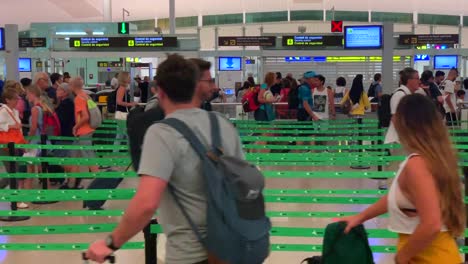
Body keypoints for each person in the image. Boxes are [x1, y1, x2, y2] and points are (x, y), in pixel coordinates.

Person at [85, 54, 245, 264]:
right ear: (195, 88)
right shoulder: (222, 125)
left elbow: (146, 203)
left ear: (159, 91)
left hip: (190, 253)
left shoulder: (161, 133)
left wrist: (110, 243)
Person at [342, 94, 464, 264]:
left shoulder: (417, 165)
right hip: (437, 252)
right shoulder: (434, 158)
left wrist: (403, 256)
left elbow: (432, 224)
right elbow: (397, 197)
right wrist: (360, 217)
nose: (393, 121)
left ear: (405, 123)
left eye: (395, 116)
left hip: (427, 255)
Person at [69, 77, 99, 174]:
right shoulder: (86, 95)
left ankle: (98, 178)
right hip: (88, 129)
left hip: (83, 131)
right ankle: (72, 182)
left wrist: (75, 126)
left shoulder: (78, 98)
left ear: (72, 86)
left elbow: (85, 116)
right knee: (74, 155)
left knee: (88, 155)